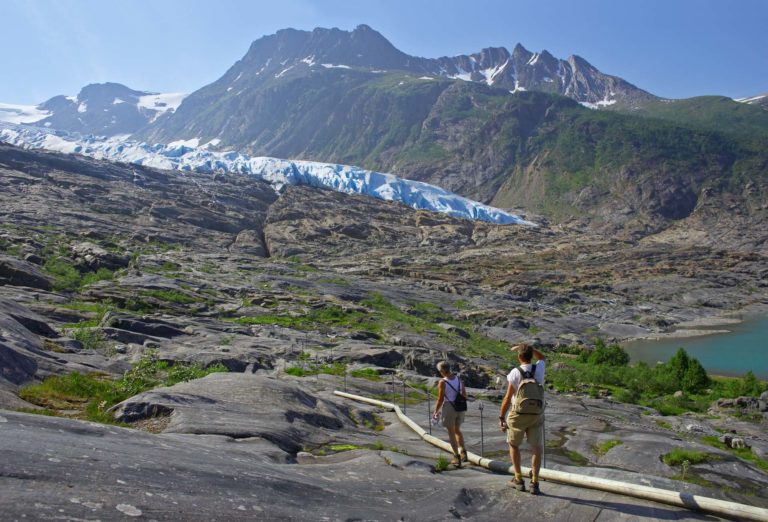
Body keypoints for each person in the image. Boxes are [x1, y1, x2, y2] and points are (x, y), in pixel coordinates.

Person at [499, 343, 546, 495]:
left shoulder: (515, 372)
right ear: (532, 356)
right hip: (536, 414)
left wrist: (501, 416)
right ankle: (535, 482)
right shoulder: (539, 368)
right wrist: (530, 348)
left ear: (519, 356)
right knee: (536, 447)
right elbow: (542, 357)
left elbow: (508, 397)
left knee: (513, 445)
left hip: (518, 414)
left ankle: (518, 479)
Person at [432, 361, 468, 467]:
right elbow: (465, 395)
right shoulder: (459, 379)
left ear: (442, 371)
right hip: (460, 407)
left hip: (449, 407)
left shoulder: (443, 382)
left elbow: (440, 399)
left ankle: (456, 457)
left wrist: (436, 411)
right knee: (458, 430)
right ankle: (464, 453)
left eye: (440, 371)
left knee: (451, 433)